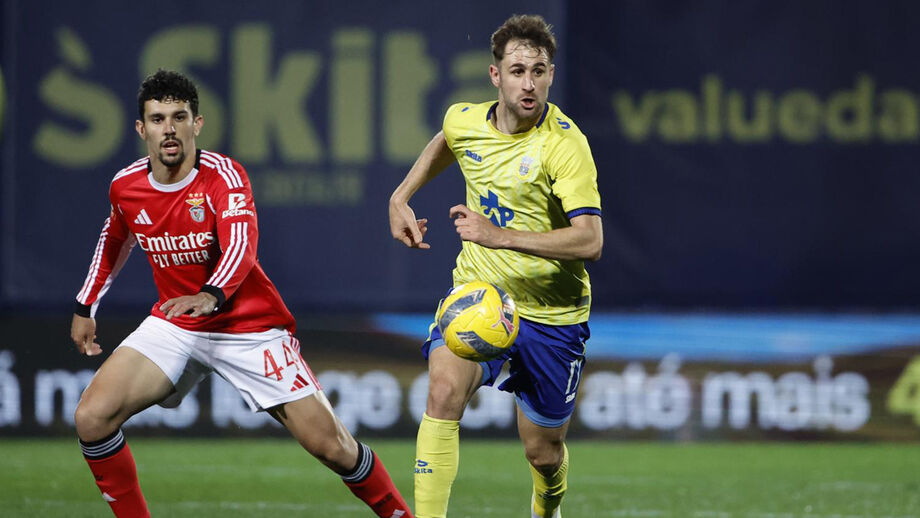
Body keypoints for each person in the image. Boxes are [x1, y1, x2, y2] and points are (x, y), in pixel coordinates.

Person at [71, 69, 414, 518]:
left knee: (332, 447)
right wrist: (85, 304)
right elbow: (115, 239)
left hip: (248, 326)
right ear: (141, 129)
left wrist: (211, 294)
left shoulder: (224, 175)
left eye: (179, 117)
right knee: (92, 417)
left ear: (197, 124)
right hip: (177, 325)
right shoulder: (126, 185)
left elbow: (241, 244)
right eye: (157, 119)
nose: (168, 129)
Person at [388, 14, 603, 518]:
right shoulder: (465, 120)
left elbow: (591, 240)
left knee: (542, 452)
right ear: (495, 75)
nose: (529, 84)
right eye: (517, 71)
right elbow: (449, 138)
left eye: (539, 71)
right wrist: (400, 196)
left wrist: (497, 235)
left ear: (551, 75)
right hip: (480, 295)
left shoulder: (565, 145)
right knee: (443, 392)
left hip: (552, 314)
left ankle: (546, 506)